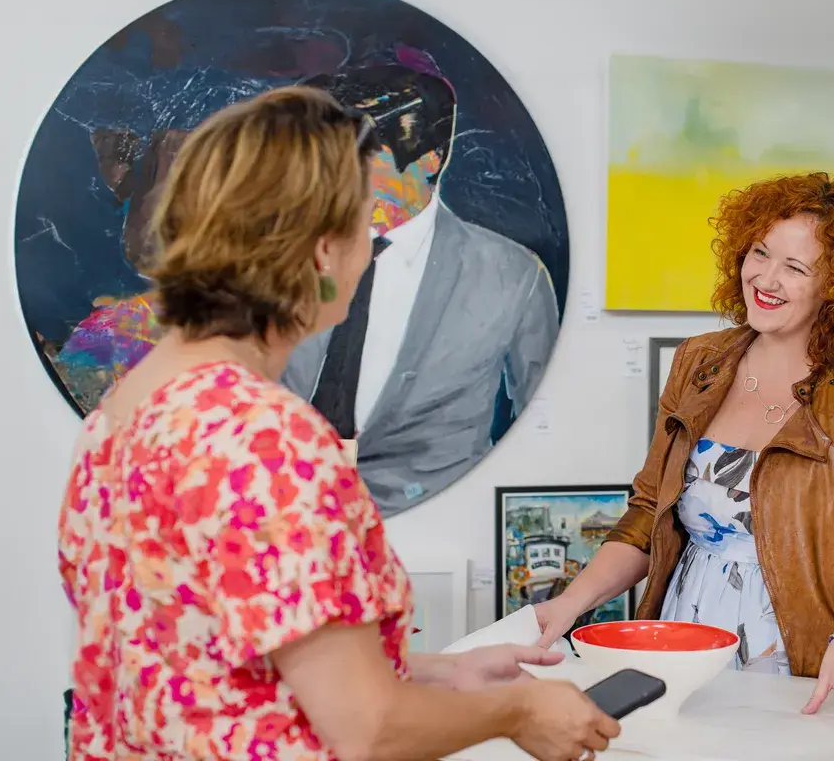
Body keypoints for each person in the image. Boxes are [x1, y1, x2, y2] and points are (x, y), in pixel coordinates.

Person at [57, 85, 618, 761]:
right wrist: (520, 709)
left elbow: (213, 655)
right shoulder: (266, 441)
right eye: (363, 223)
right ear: (323, 252)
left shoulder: (130, 408)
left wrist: (443, 673)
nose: (372, 243)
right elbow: (367, 730)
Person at [534, 172, 834, 729]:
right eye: (760, 253)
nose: (765, 279)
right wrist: (569, 604)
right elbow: (650, 512)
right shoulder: (699, 362)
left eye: (796, 267)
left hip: (827, 654)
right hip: (695, 637)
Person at [282, 54, 560, 517]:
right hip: (284, 518)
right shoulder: (279, 256)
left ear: (430, 158)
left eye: (362, 160)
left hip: (442, 520)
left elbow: (544, 422)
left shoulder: (512, 275)